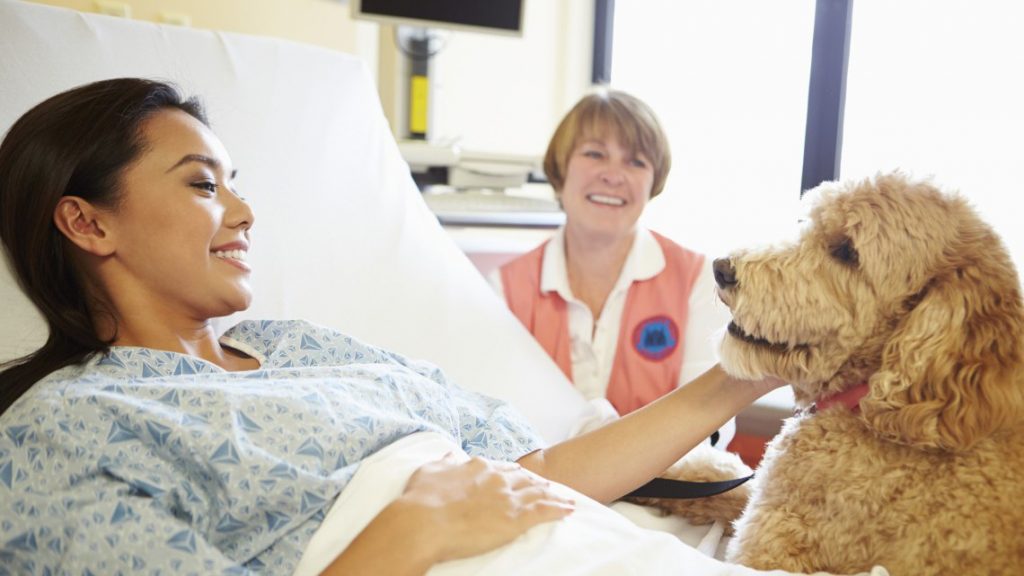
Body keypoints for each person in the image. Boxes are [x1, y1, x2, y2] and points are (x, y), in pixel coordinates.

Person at [0, 79, 783, 575]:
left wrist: (744, 376)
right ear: (86, 223)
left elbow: (536, 469)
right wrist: (414, 529)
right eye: (204, 185)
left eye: (236, 184)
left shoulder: (300, 347)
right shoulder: (62, 429)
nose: (243, 212)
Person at [491, 89, 733, 443]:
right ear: (560, 168)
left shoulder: (698, 281)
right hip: (536, 490)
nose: (613, 175)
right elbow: (495, 418)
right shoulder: (504, 289)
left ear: (654, 181)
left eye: (636, 161)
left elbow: (710, 421)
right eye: (594, 154)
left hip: (664, 494)